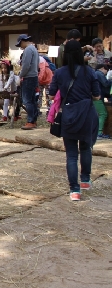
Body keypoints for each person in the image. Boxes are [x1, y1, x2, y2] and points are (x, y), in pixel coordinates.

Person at [48, 40, 99, 201]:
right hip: (86, 113)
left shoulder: (60, 73)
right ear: (80, 54)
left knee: (71, 155)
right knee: (85, 148)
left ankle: (74, 191)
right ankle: (85, 180)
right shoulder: (89, 72)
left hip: (69, 114)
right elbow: (97, 95)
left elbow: (51, 95)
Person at [17, 34, 40, 130]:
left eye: (20, 44)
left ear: (22, 41)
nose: (20, 47)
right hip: (34, 76)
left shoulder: (27, 50)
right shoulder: (34, 49)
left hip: (28, 77)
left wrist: (20, 76)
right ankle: (33, 120)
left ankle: (30, 121)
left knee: (27, 100)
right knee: (33, 100)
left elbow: (26, 66)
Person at [93, 64, 111, 139]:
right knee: (103, 113)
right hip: (97, 97)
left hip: (95, 97)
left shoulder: (94, 73)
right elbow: (106, 84)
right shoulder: (99, 73)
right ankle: (99, 133)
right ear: (103, 68)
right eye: (106, 71)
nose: (106, 73)